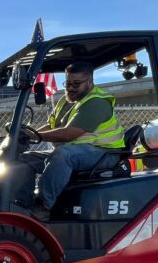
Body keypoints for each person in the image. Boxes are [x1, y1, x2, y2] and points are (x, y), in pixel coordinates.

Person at [14, 61, 124, 217]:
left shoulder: (97, 102)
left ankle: (42, 206)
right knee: (24, 159)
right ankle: (21, 206)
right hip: (76, 152)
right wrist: (28, 133)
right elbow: (51, 126)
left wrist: (34, 136)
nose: (71, 88)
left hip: (103, 152)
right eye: (68, 83)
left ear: (90, 82)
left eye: (76, 84)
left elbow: (69, 134)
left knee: (64, 154)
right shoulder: (65, 101)